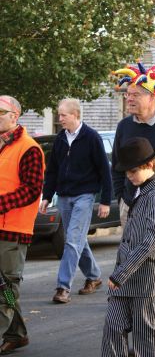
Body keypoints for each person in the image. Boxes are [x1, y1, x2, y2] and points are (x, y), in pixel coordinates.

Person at [112, 60, 155, 355]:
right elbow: (116, 166)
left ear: (152, 96)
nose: (129, 98)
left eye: (135, 94)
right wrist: (120, 198)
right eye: (127, 94)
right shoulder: (124, 126)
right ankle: (139, 334)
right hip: (131, 206)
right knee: (130, 270)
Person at [101, 137, 155, 357]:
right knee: (113, 328)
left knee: (145, 339)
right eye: (126, 172)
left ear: (150, 165)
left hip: (147, 279)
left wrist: (120, 273)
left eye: (133, 171)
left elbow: (150, 240)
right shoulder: (141, 191)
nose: (129, 176)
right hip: (126, 278)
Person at [39, 98, 112, 303]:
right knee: (77, 239)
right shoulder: (61, 138)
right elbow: (52, 170)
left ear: (75, 115)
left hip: (84, 196)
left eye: (63, 115)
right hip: (63, 196)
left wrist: (105, 200)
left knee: (71, 240)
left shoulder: (91, 137)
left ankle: (63, 287)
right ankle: (94, 276)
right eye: (59, 115)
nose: (59, 118)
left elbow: (104, 171)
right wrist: (46, 196)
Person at [0, 96, 44, 354]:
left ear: (13, 116)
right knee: (4, 287)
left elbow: (31, 190)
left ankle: (9, 330)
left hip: (13, 231)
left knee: (5, 287)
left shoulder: (29, 149)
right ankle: (16, 333)